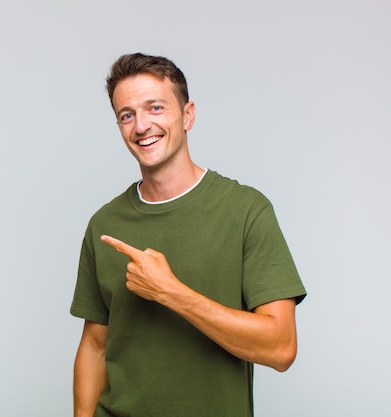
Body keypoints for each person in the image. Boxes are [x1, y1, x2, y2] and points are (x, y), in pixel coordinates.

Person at [70, 53, 307, 417]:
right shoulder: (105, 224)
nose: (141, 126)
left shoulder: (246, 211)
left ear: (188, 115)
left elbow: (281, 348)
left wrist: (171, 293)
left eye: (155, 108)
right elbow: (95, 346)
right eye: (127, 115)